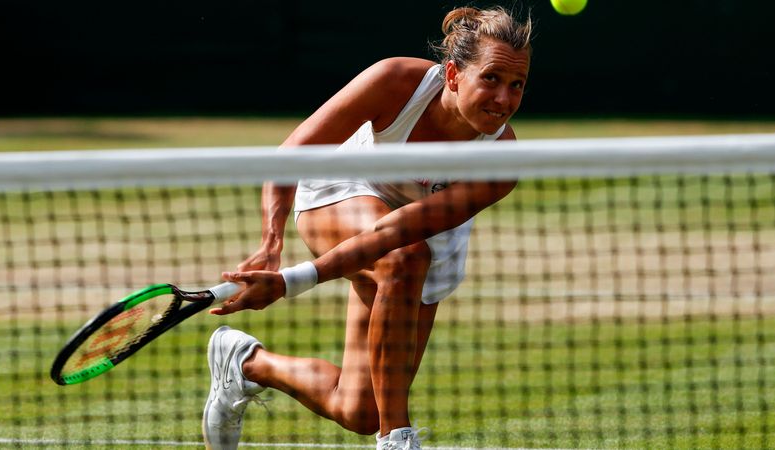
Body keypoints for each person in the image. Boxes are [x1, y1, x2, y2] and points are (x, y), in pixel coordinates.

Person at [201, 6, 533, 450]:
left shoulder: (500, 162)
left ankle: (245, 363)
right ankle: (396, 438)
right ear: (453, 74)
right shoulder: (396, 81)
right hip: (343, 192)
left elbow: (395, 231)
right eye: (490, 78)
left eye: (517, 86)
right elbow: (292, 155)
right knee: (403, 259)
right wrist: (271, 243)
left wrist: (288, 283)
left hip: (416, 241)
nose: (504, 99)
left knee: (358, 409)